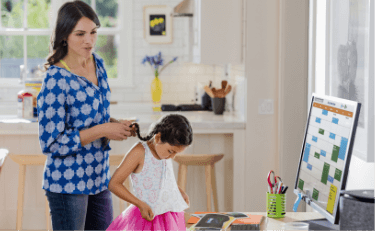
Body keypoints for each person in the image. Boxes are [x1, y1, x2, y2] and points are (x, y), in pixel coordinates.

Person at [37, 1, 134, 230]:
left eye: (93, 32)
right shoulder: (56, 79)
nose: (89, 40)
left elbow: (93, 118)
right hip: (67, 183)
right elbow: (51, 143)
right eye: (80, 34)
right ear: (64, 36)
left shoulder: (98, 63)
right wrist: (102, 130)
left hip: (98, 176)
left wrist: (115, 125)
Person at [106, 114, 193, 231]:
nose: (172, 157)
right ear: (158, 138)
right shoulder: (139, 152)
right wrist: (140, 204)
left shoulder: (164, 154)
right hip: (146, 218)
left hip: (168, 217)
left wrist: (178, 192)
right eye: (171, 151)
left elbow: (163, 179)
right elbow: (114, 184)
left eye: (175, 153)